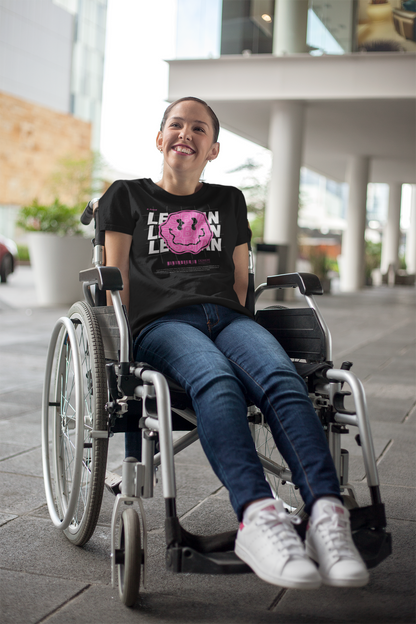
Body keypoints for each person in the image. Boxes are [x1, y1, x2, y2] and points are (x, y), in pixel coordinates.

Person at [99, 96, 369, 590]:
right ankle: (257, 518)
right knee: (217, 379)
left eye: (198, 128)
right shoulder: (126, 195)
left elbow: (242, 279)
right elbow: (117, 281)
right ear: (160, 139)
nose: (185, 133)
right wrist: (127, 343)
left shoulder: (228, 200)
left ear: (213, 148)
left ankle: (326, 516)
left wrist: (232, 322)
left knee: (281, 378)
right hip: (162, 324)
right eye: (175, 125)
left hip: (227, 317)